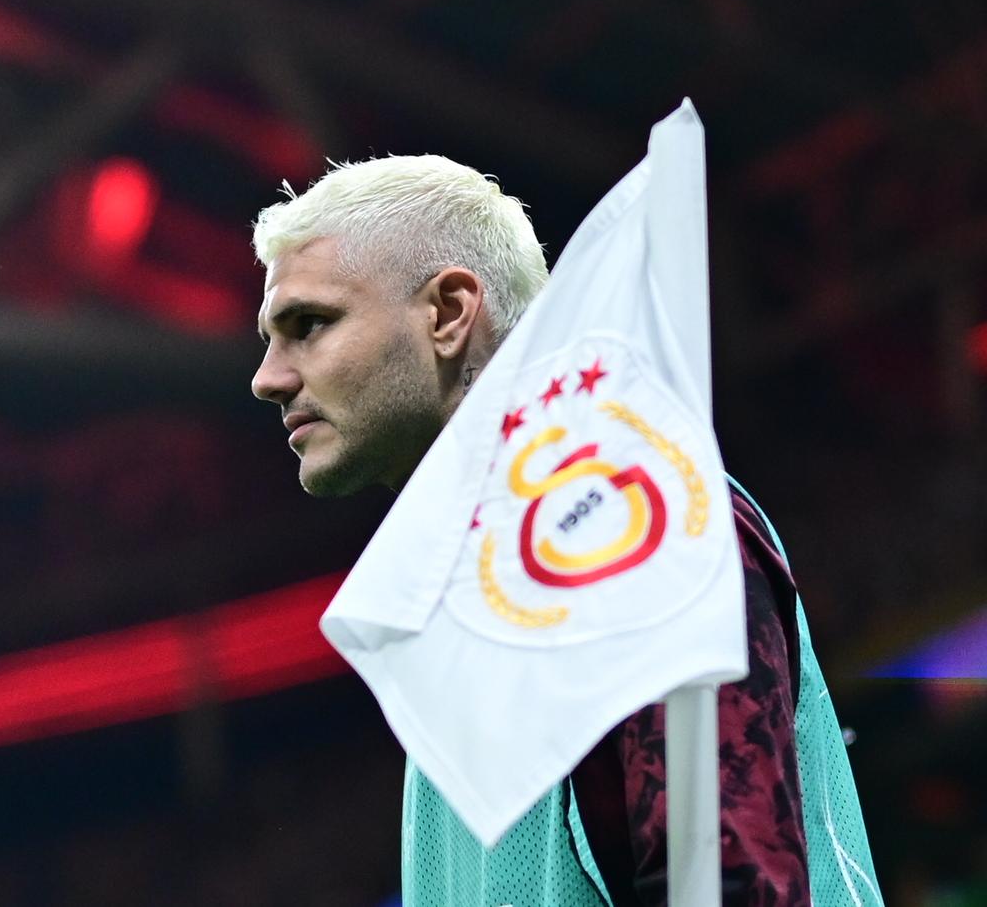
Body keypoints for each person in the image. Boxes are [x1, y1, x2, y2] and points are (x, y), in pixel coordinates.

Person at [250, 155, 881, 905]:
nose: (267, 377)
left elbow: (723, 887)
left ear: (449, 312)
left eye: (309, 325)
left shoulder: (627, 529)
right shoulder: (466, 610)